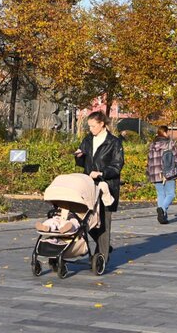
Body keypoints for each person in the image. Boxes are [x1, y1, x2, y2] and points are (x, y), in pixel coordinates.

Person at [74, 110, 124, 264]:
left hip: (106, 186)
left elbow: (117, 165)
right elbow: (82, 162)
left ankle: (101, 257)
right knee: (87, 221)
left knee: (104, 222)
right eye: (89, 126)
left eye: (93, 126)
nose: (90, 129)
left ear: (102, 124)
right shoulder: (88, 140)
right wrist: (79, 157)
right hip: (88, 186)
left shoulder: (114, 142)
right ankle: (104, 245)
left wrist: (102, 173)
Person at [146, 126, 177, 224]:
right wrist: (176, 170)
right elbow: (176, 159)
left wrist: (149, 172)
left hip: (155, 173)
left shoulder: (152, 145)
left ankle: (162, 217)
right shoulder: (170, 144)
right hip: (168, 172)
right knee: (171, 194)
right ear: (165, 132)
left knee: (161, 194)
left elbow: (149, 160)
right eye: (168, 131)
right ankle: (162, 209)